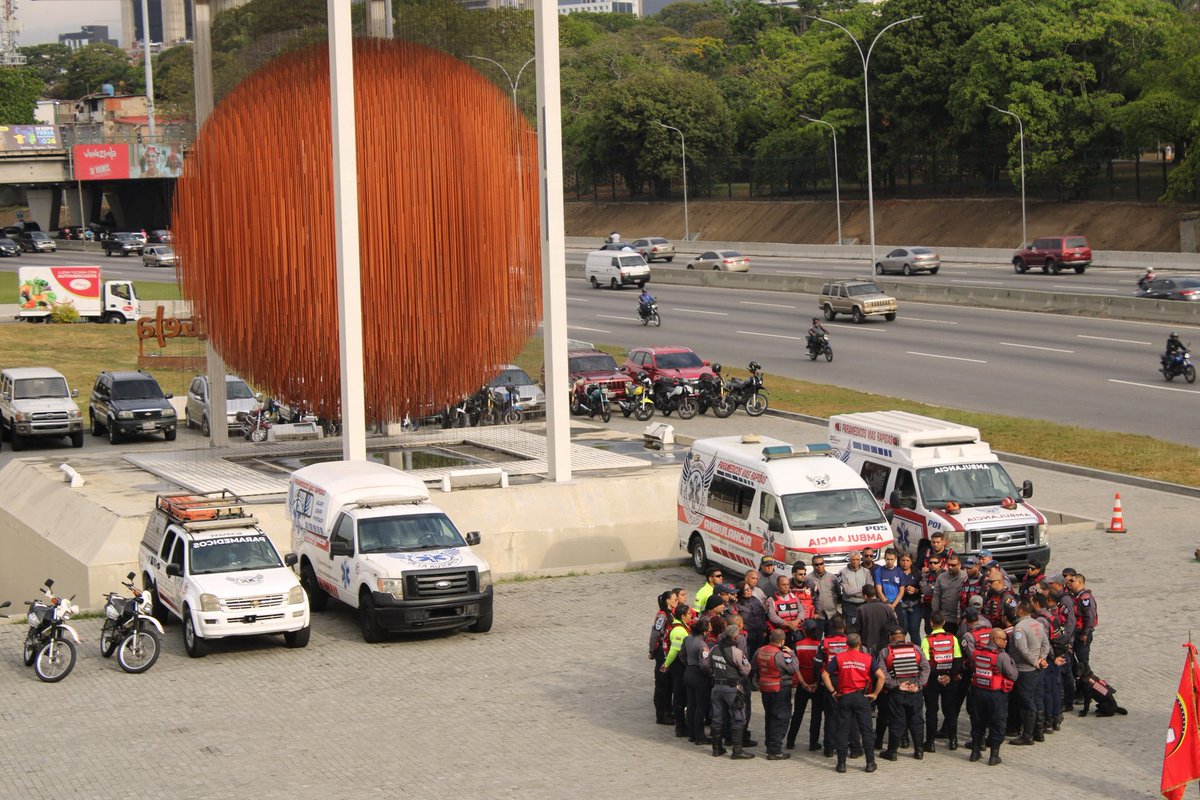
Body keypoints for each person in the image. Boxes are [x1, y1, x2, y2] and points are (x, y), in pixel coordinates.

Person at [823, 632, 885, 774]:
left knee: (842, 730)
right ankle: (870, 763)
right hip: (861, 697)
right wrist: (875, 694)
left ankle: (841, 764)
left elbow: (824, 674)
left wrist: (833, 692)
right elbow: (881, 677)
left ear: (846, 645)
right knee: (866, 730)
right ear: (859, 644)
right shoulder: (867, 658)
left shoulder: (839, 657)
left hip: (844, 697)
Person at [878, 625, 931, 761]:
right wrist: (918, 684)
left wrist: (895, 685)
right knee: (917, 720)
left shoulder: (885, 651)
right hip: (915, 692)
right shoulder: (916, 649)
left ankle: (892, 752)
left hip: (897, 693)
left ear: (890, 637)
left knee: (896, 721)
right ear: (904, 636)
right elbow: (925, 668)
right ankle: (919, 751)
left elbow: (882, 674)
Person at [702, 626, 756, 759]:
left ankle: (717, 748)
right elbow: (746, 669)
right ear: (736, 637)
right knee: (738, 718)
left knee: (717, 718)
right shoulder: (737, 652)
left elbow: (707, 665)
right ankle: (737, 751)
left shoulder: (714, 649)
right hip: (732, 688)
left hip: (717, 687)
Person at [968, 628, 1018, 766]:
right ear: (995, 640)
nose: (1006, 642)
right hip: (996, 695)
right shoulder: (1002, 656)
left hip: (978, 692)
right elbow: (1013, 675)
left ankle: (975, 752)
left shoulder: (977, 652)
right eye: (1003, 639)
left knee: (978, 722)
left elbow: (974, 667)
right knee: (998, 723)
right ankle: (994, 755)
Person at [1008, 600, 1050, 746]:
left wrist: (1034, 661)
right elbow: (1046, 643)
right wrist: (1042, 659)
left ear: (1020, 611)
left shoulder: (1019, 628)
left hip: (1025, 670)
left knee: (1026, 702)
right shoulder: (1037, 623)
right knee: (1038, 698)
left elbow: (1022, 650)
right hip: (1038, 669)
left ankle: (1027, 735)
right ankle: (1038, 732)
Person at [922, 610, 963, 752]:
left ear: (931, 623)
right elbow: (958, 660)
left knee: (931, 711)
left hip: (933, 681)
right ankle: (953, 741)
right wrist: (949, 676)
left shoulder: (926, 640)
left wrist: (938, 677)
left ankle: (930, 743)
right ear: (944, 622)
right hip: (949, 680)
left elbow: (926, 663)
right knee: (950, 711)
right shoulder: (953, 638)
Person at [756, 629, 798, 759]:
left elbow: (753, 666)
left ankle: (770, 744)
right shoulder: (780, 655)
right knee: (780, 719)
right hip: (779, 689)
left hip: (764, 688)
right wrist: (792, 654)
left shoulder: (760, 650)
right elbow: (793, 668)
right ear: (782, 641)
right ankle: (775, 751)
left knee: (769, 717)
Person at [786, 619, 824, 752]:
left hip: (803, 683)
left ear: (804, 631)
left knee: (797, 713)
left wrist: (802, 682)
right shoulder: (820, 645)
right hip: (817, 684)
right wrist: (816, 683)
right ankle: (813, 743)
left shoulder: (797, 645)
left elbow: (795, 666)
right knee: (816, 715)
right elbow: (821, 666)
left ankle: (790, 741)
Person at [815, 614, 849, 757]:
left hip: (829, 683)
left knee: (830, 717)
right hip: (847, 682)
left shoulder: (825, 643)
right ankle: (845, 746)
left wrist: (820, 681)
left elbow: (816, 665)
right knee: (847, 717)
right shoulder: (850, 641)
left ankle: (829, 748)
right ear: (844, 626)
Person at [661, 603, 693, 738]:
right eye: (689, 614)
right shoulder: (679, 631)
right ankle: (681, 727)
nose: (691, 616)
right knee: (680, 697)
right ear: (682, 616)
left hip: (678, 666)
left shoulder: (680, 627)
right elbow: (675, 650)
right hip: (678, 666)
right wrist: (666, 664)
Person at [682, 617, 713, 745]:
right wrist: (711, 674)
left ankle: (691, 734)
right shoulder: (702, 645)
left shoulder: (687, 639)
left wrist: (688, 665)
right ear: (705, 631)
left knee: (691, 705)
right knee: (701, 706)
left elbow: (682, 654)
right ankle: (700, 736)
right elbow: (704, 664)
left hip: (688, 672)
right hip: (699, 676)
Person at [650, 590, 678, 725]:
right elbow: (655, 633)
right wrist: (652, 651)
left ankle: (669, 710)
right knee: (662, 684)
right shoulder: (662, 615)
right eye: (674, 599)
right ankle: (661, 715)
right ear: (668, 600)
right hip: (662, 651)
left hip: (669, 650)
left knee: (669, 684)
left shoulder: (671, 613)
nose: (676, 601)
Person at [1069, 573, 1098, 701]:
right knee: (1077, 662)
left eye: (1072, 581)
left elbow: (1089, 617)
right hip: (1076, 632)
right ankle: (1080, 689)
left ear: (1080, 583)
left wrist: (1085, 633)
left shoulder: (1085, 598)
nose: (1070, 583)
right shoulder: (1076, 597)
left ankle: (1086, 692)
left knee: (1083, 664)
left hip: (1082, 634)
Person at [856, 584, 898, 656]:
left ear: (865, 596)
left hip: (868, 646)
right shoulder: (887, 608)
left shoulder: (861, 609)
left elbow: (856, 629)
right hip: (885, 647)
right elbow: (895, 625)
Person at [931, 555, 967, 635]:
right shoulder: (941, 577)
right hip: (945, 618)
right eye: (948, 564)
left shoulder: (965, 577)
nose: (950, 567)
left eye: (953, 565)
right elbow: (936, 597)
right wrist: (935, 614)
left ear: (959, 565)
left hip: (961, 617)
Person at [838, 551, 873, 631]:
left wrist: (854, 591)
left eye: (857, 559)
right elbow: (847, 591)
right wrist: (862, 590)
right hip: (849, 605)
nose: (855, 562)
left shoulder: (866, 572)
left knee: (865, 628)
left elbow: (869, 589)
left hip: (864, 604)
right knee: (851, 629)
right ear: (849, 560)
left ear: (860, 559)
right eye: (853, 559)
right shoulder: (843, 572)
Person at [766, 575, 804, 648]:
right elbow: (772, 616)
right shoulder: (772, 599)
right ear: (777, 585)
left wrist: (796, 621)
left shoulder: (794, 597)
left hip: (795, 631)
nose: (786, 587)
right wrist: (787, 624)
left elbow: (801, 611)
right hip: (781, 634)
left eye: (787, 584)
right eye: (783, 585)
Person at [735, 580, 767, 657]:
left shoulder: (756, 600)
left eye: (749, 588)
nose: (749, 591)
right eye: (746, 590)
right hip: (747, 636)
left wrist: (764, 630)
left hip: (759, 633)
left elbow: (763, 615)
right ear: (741, 592)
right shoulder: (737, 605)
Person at [806, 555, 838, 634]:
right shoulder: (808, 579)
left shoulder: (832, 577)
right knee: (816, 641)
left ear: (824, 563)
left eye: (821, 564)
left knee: (831, 640)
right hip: (817, 616)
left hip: (831, 614)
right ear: (812, 565)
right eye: (816, 565)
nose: (819, 566)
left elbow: (838, 593)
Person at [895, 553, 922, 644]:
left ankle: (918, 652)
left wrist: (916, 590)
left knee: (914, 631)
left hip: (915, 605)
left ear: (911, 562)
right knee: (903, 630)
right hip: (901, 605)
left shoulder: (917, 573)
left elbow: (923, 589)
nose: (905, 563)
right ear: (899, 561)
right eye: (903, 560)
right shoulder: (896, 572)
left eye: (907, 560)